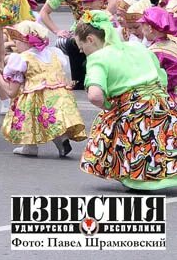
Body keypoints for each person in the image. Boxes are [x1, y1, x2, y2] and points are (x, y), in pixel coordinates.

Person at [75, 11, 177, 191]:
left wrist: (108, 106)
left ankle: (135, 176)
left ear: (90, 39)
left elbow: (94, 95)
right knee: (164, 139)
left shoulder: (97, 58)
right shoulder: (136, 47)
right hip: (161, 102)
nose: (81, 51)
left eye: (81, 47)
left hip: (132, 107)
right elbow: (162, 77)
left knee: (107, 125)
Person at [0, 21, 86, 157]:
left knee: (27, 112)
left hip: (35, 96)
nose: (15, 44)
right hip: (59, 95)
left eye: (17, 40)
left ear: (26, 41)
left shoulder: (22, 59)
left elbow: (11, 91)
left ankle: (29, 146)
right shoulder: (54, 53)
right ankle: (61, 140)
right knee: (49, 117)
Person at [38, 0, 117, 87]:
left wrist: (103, 17)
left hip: (101, 24)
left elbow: (113, 0)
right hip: (81, 27)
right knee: (66, 42)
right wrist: (57, 31)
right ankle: (79, 79)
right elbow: (43, 12)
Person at [137, 7, 177, 101]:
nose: (142, 30)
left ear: (150, 28)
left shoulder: (155, 51)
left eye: (143, 25)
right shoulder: (173, 43)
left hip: (168, 100)